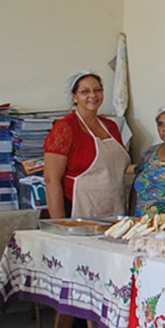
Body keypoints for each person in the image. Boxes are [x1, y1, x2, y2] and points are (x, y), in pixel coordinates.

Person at [44, 71, 129, 218]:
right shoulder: (65, 128)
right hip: (76, 209)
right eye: (85, 92)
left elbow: (118, 169)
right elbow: (52, 180)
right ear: (74, 96)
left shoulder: (111, 126)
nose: (93, 95)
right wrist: (60, 224)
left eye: (97, 90)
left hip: (113, 209)